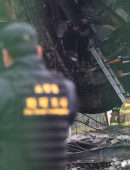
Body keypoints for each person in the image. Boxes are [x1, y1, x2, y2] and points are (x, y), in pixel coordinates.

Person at [0, 23, 79, 170]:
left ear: (6, 54)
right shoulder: (66, 88)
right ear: (39, 51)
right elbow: (67, 121)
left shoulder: (5, 88)